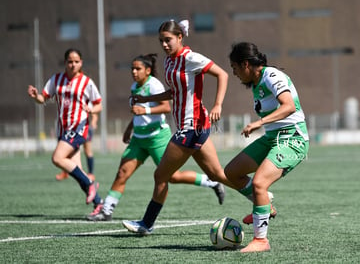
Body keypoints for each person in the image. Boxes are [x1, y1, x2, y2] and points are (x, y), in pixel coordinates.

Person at [122, 20, 236, 235]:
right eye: (161, 41)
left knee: (160, 176)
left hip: (191, 127)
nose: (164, 44)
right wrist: (146, 98)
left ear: (180, 37)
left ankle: (146, 224)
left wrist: (218, 104)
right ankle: (259, 194)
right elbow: (173, 93)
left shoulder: (191, 58)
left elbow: (223, 74)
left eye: (168, 40)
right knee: (217, 174)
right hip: (192, 126)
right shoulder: (169, 62)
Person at [86, 53, 225, 221]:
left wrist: (145, 110)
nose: (134, 72)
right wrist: (129, 128)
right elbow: (137, 112)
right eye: (132, 68)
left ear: (148, 70)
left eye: (138, 69)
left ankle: (211, 182)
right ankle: (106, 210)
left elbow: (166, 107)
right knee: (122, 173)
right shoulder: (134, 86)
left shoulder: (154, 85)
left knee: (171, 177)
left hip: (157, 137)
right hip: (139, 138)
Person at [224, 42, 309, 253]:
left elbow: (289, 106)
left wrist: (258, 123)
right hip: (273, 137)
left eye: (234, 68)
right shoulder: (256, 83)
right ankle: (265, 206)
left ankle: (261, 240)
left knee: (260, 183)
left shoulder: (271, 75)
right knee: (232, 172)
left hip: (292, 139)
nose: (234, 74)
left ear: (245, 64)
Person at [27, 48, 103, 211]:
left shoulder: (86, 82)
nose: (73, 64)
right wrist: (36, 97)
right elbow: (43, 98)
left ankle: (90, 183)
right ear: (65, 63)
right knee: (78, 171)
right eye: (70, 61)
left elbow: (99, 104)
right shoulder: (56, 80)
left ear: (81, 63)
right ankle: (99, 204)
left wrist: (91, 110)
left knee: (57, 158)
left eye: (76, 61)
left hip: (78, 127)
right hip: (63, 130)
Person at [55, 112, 98, 181]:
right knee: (66, 152)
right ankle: (65, 172)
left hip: (85, 128)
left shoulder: (85, 102)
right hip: (73, 129)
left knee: (87, 150)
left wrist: (94, 121)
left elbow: (93, 112)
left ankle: (90, 174)